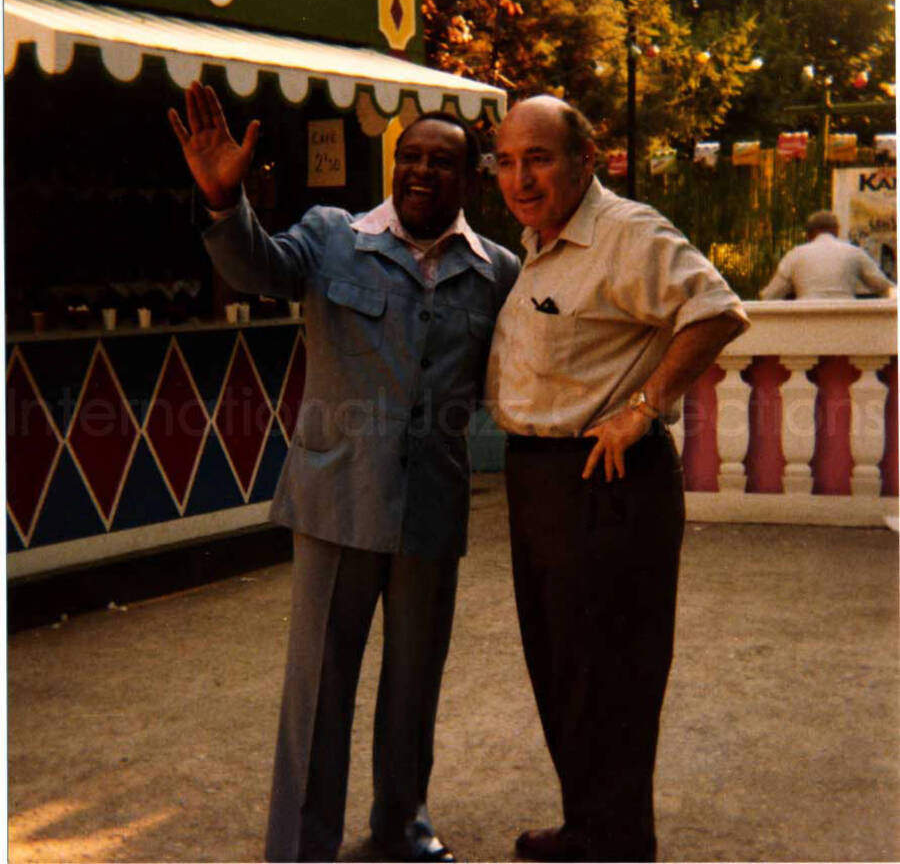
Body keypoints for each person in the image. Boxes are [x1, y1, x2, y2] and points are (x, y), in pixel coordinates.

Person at [168, 81, 519, 863]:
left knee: (413, 683)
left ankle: (402, 825)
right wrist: (224, 200)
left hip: (432, 507)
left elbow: (530, 369)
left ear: (468, 178)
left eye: (442, 160)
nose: (422, 171)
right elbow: (259, 266)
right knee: (320, 690)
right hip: (336, 500)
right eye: (411, 157)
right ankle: (301, 844)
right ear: (395, 166)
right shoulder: (334, 235)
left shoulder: (497, 270)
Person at [484, 95, 750, 862]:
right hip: (540, 477)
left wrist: (644, 405)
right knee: (561, 660)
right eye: (505, 160)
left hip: (606, 476)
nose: (519, 176)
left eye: (537, 157)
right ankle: (592, 825)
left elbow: (716, 309)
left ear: (584, 160)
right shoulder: (540, 242)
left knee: (612, 667)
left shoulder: (626, 232)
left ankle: (617, 836)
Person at [760, 210, 896, 300]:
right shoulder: (854, 252)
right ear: (836, 231)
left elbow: (772, 293)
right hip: (847, 315)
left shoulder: (795, 255)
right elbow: (883, 286)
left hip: (807, 315)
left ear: (809, 234)